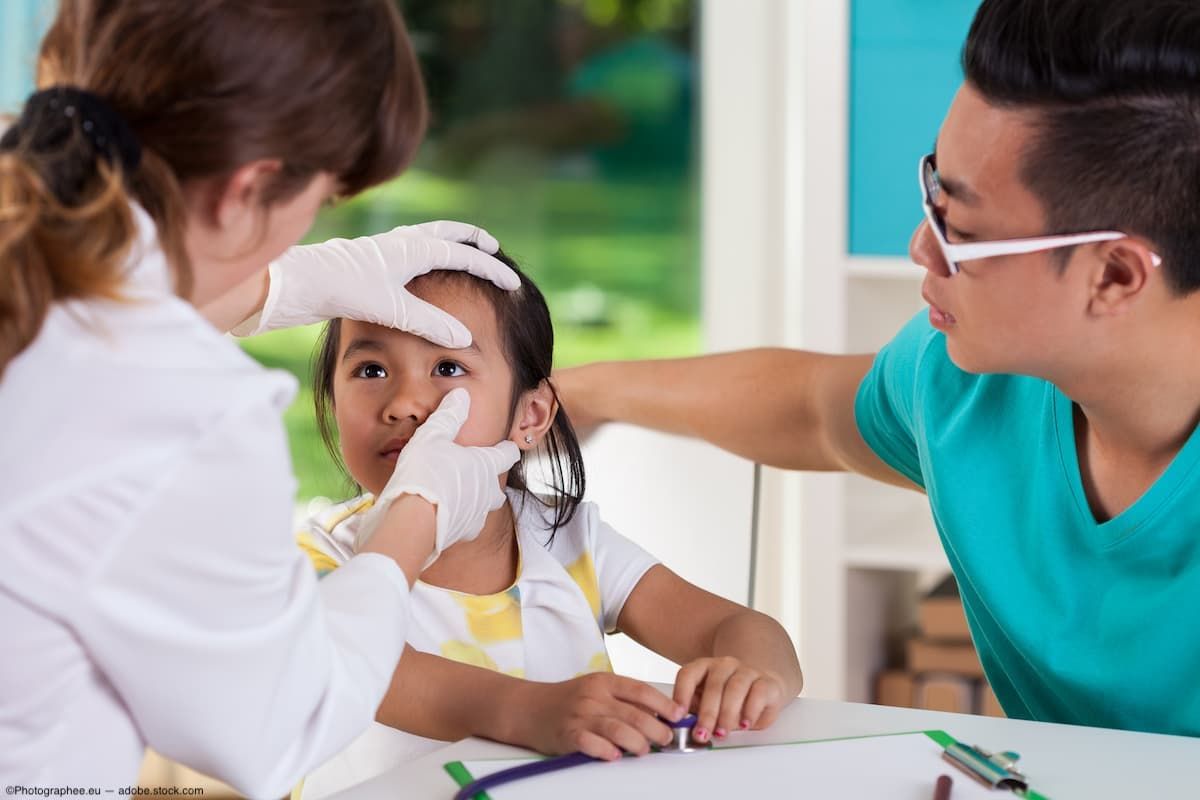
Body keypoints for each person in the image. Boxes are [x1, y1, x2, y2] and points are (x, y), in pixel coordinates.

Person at [555, 0, 1200, 737]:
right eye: (934, 189)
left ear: (1113, 277)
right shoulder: (962, 387)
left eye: (958, 227)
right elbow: (809, 407)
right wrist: (579, 394)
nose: (919, 249)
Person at [0, 1, 522, 792]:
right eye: (322, 200)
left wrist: (282, 283)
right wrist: (417, 514)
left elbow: (71, 307)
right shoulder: (180, 414)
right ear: (249, 187)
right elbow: (279, 725)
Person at [293, 256, 803, 794]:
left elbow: (746, 630)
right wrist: (529, 710)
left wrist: (751, 676)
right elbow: (360, 665)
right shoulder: (322, 556)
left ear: (530, 416)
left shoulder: (565, 538)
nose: (404, 404)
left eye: (447, 368)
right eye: (370, 370)